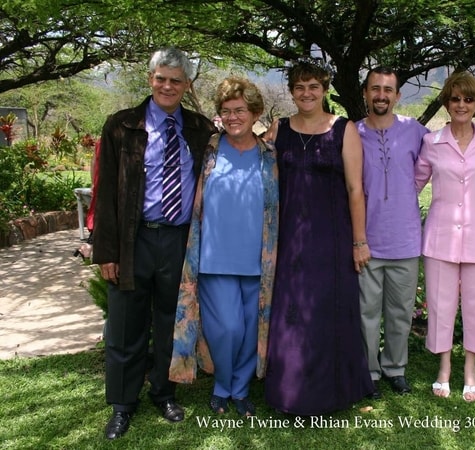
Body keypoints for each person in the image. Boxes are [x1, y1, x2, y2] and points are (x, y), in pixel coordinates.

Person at [92, 47, 216, 439]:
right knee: (125, 325)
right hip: (134, 240)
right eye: (161, 78)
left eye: (175, 81)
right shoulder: (122, 126)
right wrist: (106, 252)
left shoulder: (200, 129)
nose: (167, 86)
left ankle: (163, 393)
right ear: (150, 79)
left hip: (179, 240)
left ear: (186, 85)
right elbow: (105, 192)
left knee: (170, 322)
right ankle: (122, 405)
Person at [263, 59, 374, 415]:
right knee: (291, 312)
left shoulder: (344, 129)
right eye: (299, 87)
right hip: (288, 238)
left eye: (313, 86)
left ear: (324, 90)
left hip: (332, 238)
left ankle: (332, 390)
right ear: (291, 91)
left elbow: (355, 189)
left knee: (327, 312)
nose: (306, 93)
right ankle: (290, 388)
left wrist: (359, 242)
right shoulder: (278, 129)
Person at [168, 77, 278, 418]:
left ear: (255, 113)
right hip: (214, 257)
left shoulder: (270, 155)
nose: (233, 117)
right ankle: (221, 385)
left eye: (240, 110)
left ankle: (240, 390)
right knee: (227, 329)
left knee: (250, 331)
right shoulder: (209, 149)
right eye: (226, 111)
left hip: (258, 259)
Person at [415, 72, 475, 402]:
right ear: (447, 103)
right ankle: (444, 368)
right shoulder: (432, 143)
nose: (461, 105)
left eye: (469, 99)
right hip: (440, 238)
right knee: (441, 304)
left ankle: (470, 370)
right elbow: (412, 185)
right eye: (455, 99)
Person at [356, 67, 429, 399]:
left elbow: (441, 156)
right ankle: (369, 371)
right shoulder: (353, 133)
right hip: (367, 241)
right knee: (366, 313)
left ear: (398, 95)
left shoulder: (415, 131)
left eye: (388, 89)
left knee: (400, 313)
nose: (381, 95)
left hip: (406, 239)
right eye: (375, 88)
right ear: (365, 93)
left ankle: (395, 368)